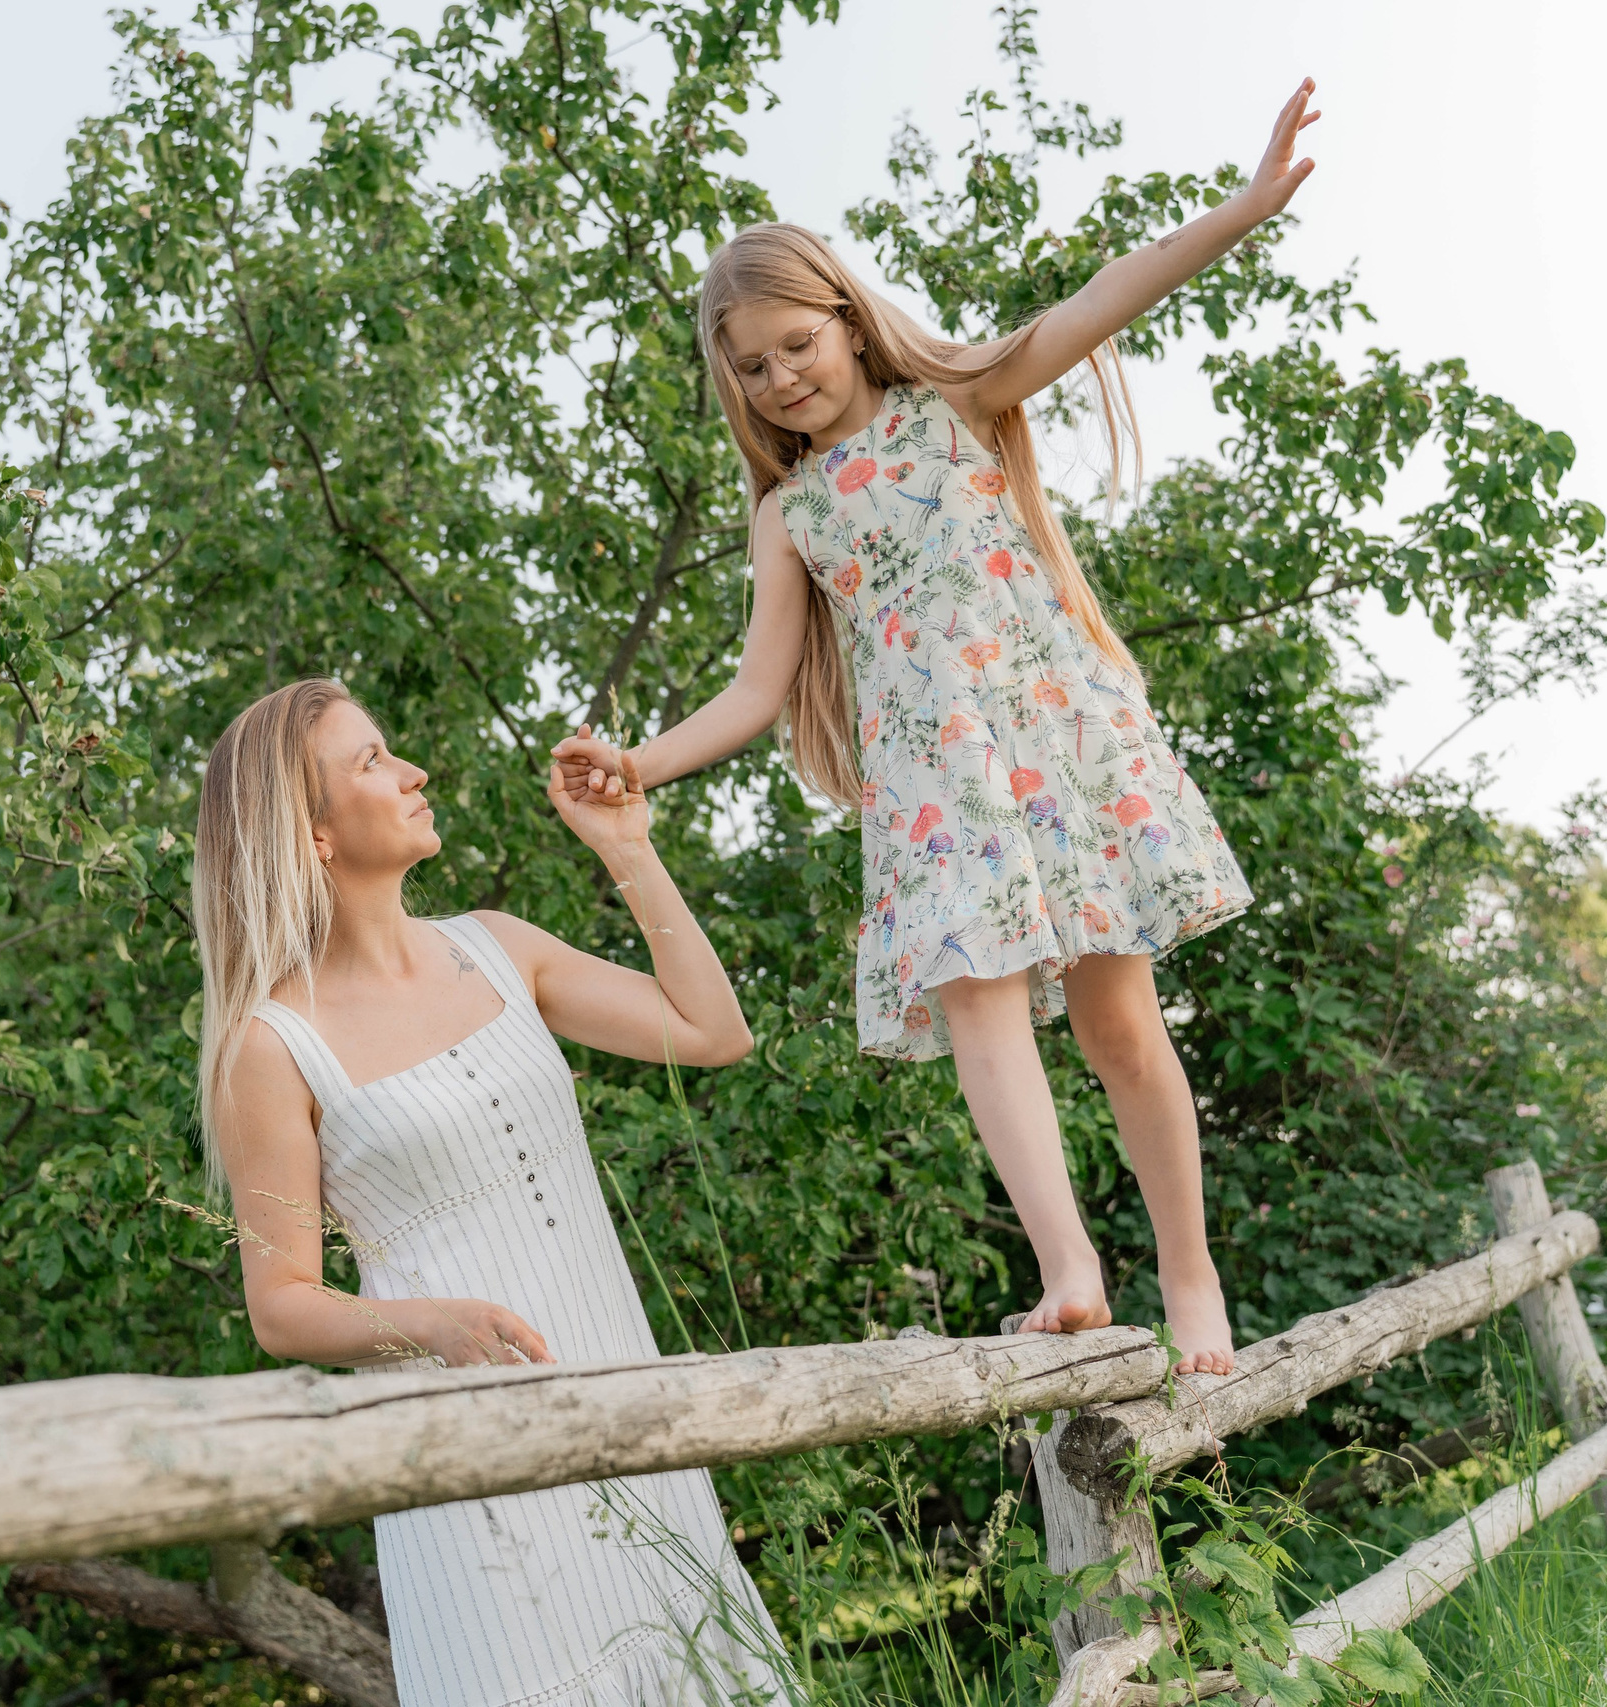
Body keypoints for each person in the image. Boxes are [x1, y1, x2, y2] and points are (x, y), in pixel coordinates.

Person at [554, 82, 1323, 1377]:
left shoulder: (956, 406)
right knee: (980, 1010)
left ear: (848, 322)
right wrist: (642, 760)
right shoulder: (788, 516)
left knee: (1119, 1020)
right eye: (750, 366)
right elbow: (757, 688)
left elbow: (1102, 299)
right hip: (932, 786)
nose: (780, 376)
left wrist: (1243, 208)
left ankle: (1191, 1277)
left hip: (1057, 736)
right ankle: (1069, 1266)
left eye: (796, 343)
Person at [195, 679, 797, 1705]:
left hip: (625, 1415)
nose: (413, 771)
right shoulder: (271, 1045)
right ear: (315, 833)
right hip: (465, 1467)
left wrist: (626, 849)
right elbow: (281, 1306)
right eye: (372, 762)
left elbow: (713, 1034)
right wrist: (432, 1325)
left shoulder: (497, 946)